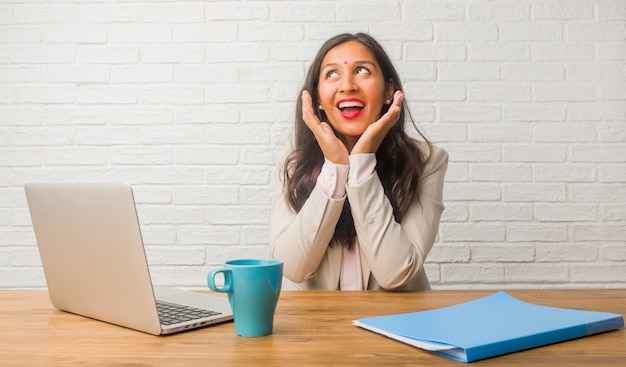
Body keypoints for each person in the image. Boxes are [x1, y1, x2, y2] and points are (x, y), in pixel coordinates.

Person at [270, 33, 448, 291]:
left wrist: (362, 166)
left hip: (398, 323)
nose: (347, 85)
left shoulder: (427, 161)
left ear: (388, 90)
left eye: (362, 71)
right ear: (318, 97)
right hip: (315, 326)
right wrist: (336, 169)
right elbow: (293, 268)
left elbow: (396, 273)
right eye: (332, 74)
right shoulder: (293, 157)